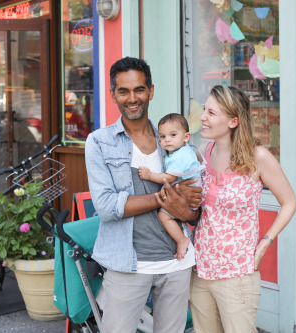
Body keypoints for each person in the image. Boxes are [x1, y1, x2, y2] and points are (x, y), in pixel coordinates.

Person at [84, 57, 202, 333]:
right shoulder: (99, 142)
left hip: (175, 262)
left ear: (151, 91)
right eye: (123, 91)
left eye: (139, 89)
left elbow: (194, 209)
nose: (132, 98)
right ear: (113, 94)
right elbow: (106, 206)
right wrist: (165, 198)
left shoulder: (174, 142)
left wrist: (186, 208)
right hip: (127, 265)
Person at [187, 85, 296, 333]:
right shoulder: (204, 152)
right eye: (205, 110)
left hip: (237, 273)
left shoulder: (258, 157)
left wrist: (265, 242)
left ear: (233, 121)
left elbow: (290, 202)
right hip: (201, 269)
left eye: (211, 113)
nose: (203, 117)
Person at [138, 113, 204, 260]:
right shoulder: (179, 152)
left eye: (173, 135)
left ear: (186, 137)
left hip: (191, 194)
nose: (167, 140)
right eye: (162, 136)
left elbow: (169, 178)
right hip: (189, 192)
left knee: (163, 216)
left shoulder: (181, 155)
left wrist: (150, 175)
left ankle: (182, 240)